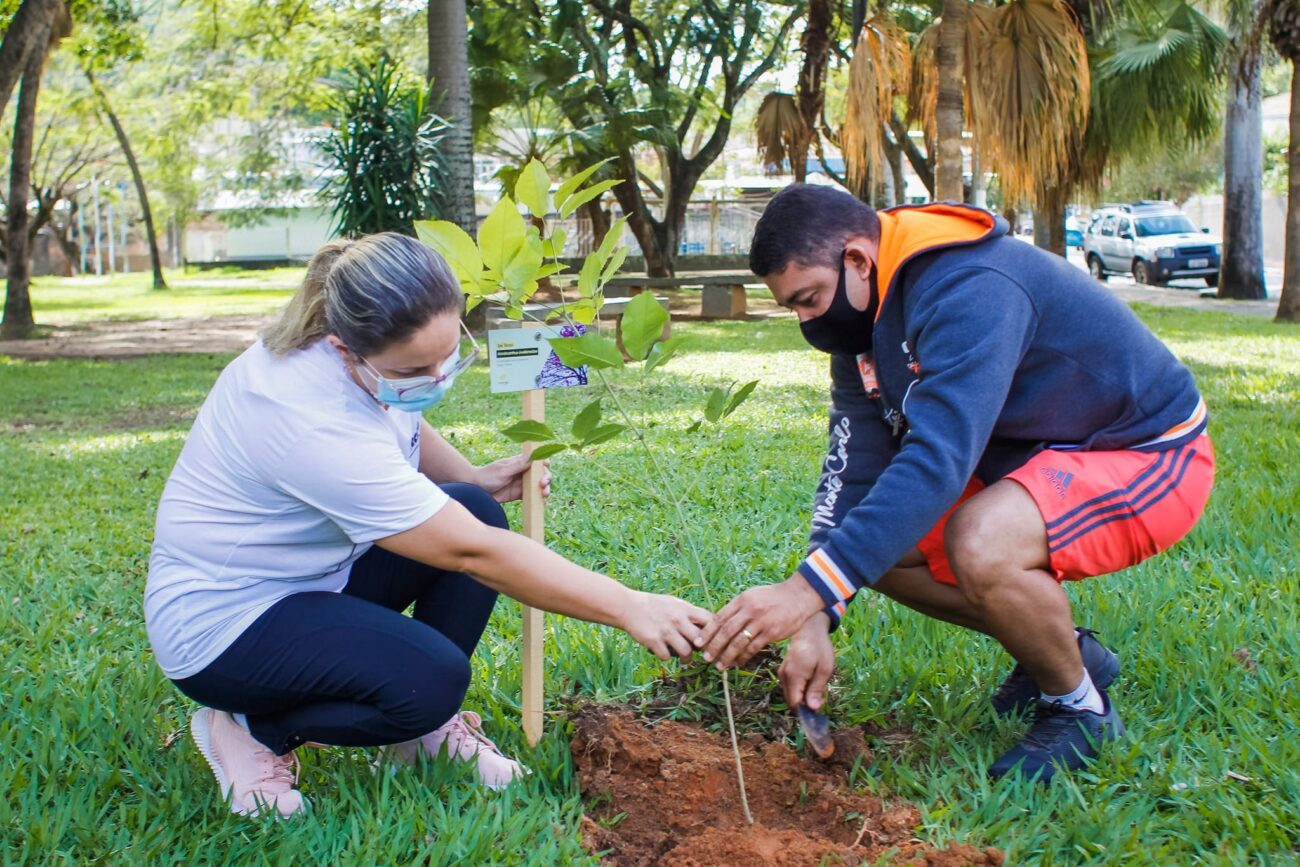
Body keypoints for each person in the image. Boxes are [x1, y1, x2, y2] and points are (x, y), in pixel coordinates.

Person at [146, 233, 709, 817]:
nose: (437, 378)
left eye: (447, 356)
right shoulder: (304, 415)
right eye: (416, 369)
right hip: (226, 625)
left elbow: (393, 416)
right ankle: (249, 724)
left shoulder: (354, 354)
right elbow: (474, 554)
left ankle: (418, 739)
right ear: (345, 349)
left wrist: (474, 477)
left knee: (474, 506)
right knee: (433, 680)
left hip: (312, 582)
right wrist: (629, 605)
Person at [697, 185, 1214, 782]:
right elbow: (854, 471)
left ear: (859, 259)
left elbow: (938, 460)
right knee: (882, 553)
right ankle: (1067, 650)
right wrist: (816, 608)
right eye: (793, 308)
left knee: (980, 540)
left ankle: (1080, 708)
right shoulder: (863, 319)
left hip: (1148, 453)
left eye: (809, 299)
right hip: (1036, 460)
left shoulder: (970, 285)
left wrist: (803, 592)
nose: (807, 322)